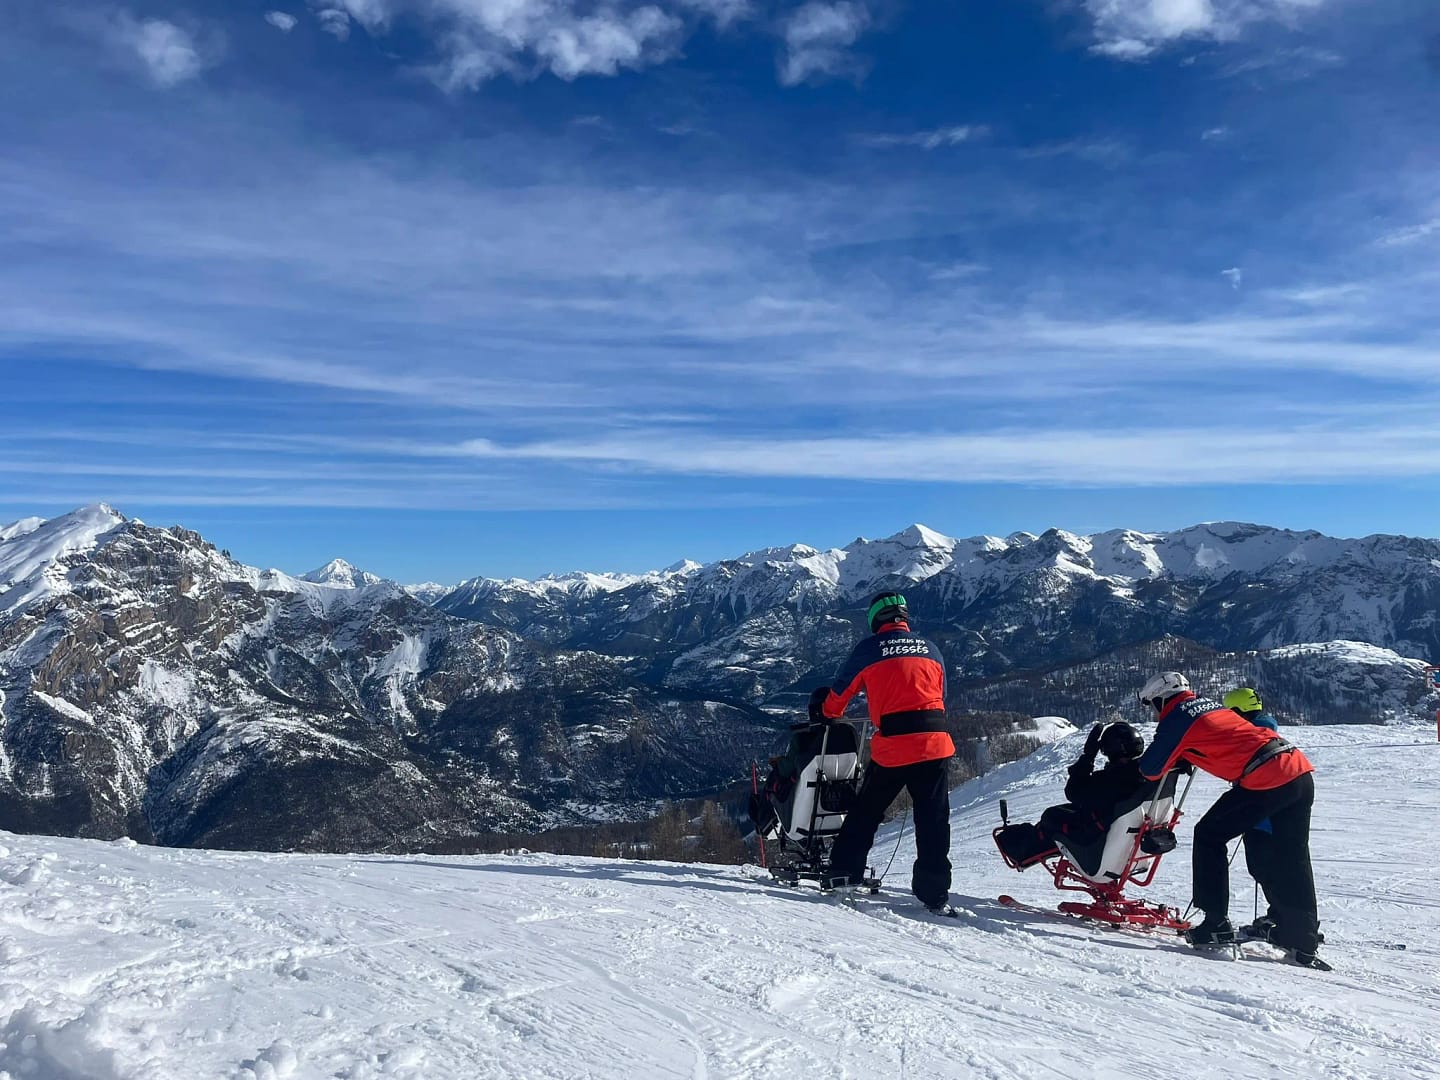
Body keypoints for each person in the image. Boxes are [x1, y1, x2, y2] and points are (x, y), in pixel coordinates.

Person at [1137, 672, 1324, 966]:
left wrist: (1177, 756)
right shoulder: (1210, 704)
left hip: (1265, 777)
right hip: (1297, 770)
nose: (1155, 711)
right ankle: (1301, 937)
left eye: (1153, 705)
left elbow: (1150, 769)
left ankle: (1215, 923)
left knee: (1209, 834)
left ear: (1161, 699)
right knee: (1294, 855)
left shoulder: (1176, 716)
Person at [811, 591, 955, 912]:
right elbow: (941, 694)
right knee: (933, 820)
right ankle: (934, 893)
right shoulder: (931, 649)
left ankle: (844, 873)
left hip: (894, 747)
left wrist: (826, 712)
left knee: (866, 813)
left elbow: (837, 699)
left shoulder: (868, 650)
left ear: (875, 619)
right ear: (904, 617)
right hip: (935, 744)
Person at [994, 721, 1154, 869]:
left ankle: (1021, 852)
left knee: (1051, 817)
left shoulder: (1113, 779)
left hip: (1100, 846)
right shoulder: (1145, 776)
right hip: (1127, 845)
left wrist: (1088, 756)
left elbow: (1073, 791)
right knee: (1063, 812)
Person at [1222, 686, 1284, 939]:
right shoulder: (1267, 730)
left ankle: (1280, 919)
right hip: (1278, 813)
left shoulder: (1251, 735)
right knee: (1277, 869)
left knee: (1264, 868)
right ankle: (1286, 916)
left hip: (1261, 817)